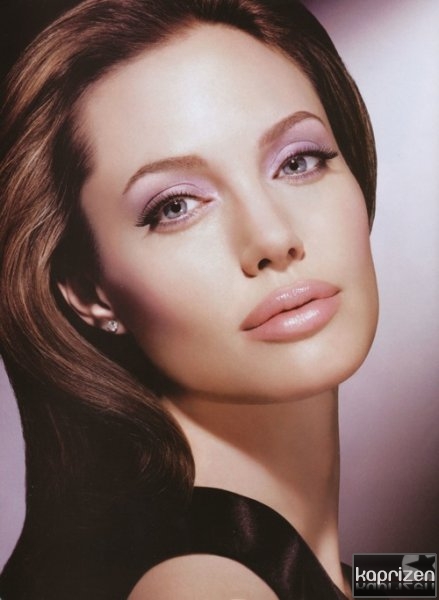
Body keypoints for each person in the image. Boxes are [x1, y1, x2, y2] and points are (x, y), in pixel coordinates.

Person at [0, 0, 378, 598]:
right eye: (175, 206)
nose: (273, 238)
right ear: (90, 292)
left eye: (298, 161)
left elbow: (348, 580)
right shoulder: (204, 585)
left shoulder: (281, 557)